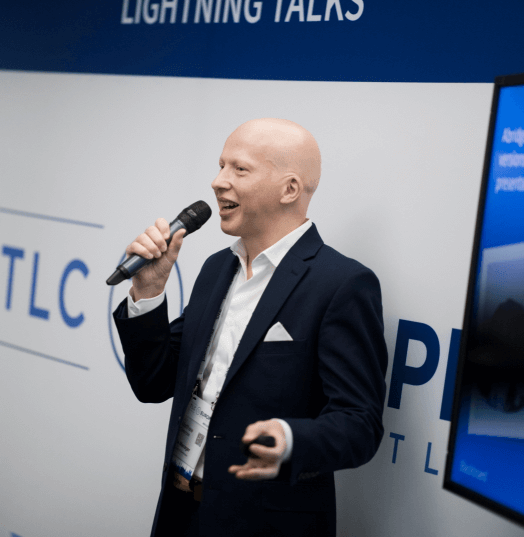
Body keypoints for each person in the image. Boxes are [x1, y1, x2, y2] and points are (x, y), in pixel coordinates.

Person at [113, 118, 388, 537]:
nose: (218, 182)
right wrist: (148, 292)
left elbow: (360, 423)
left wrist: (291, 438)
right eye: (221, 166)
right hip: (180, 512)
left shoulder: (341, 284)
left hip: (265, 523)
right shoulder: (215, 268)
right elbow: (152, 382)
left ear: (290, 189)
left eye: (239, 170)